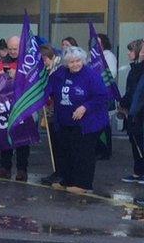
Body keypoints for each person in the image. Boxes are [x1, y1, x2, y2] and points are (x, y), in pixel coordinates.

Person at [46, 47, 110, 194]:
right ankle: (67, 180)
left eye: (78, 61)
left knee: (83, 153)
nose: (75, 64)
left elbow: (101, 96)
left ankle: (83, 184)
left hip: (88, 123)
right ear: (66, 63)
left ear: (83, 60)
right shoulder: (60, 73)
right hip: (65, 121)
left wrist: (85, 107)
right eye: (71, 62)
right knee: (67, 151)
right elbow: (49, 88)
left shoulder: (91, 75)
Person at [0, 36, 29, 180]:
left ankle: (22, 169)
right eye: (10, 49)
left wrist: (17, 76)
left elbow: (34, 80)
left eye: (15, 49)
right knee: (4, 137)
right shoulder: (2, 62)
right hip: (5, 105)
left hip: (23, 105)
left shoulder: (28, 61)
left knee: (23, 139)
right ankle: (4, 167)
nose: (12, 52)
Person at [38, 44, 64, 186]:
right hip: (53, 110)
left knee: (59, 144)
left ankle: (60, 172)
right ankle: (58, 171)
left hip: (58, 112)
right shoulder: (52, 69)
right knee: (55, 144)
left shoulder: (58, 70)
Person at [119, 39, 144, 184]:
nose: (129, 53)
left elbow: (137, 93)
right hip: (133, 112)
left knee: (140, 142)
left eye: (131, 50)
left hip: (140, 113)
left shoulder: (140, 69)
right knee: (135, 144)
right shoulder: (135, 69)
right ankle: (138, 171)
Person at [97, 33, 117, 161]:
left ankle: (105, 151)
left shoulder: (108, 55)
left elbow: (112, 73)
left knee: (104, 124)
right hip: (96, 93)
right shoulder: (93, 56)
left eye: (99, 42)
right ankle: (99, 149)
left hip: (105, 92)